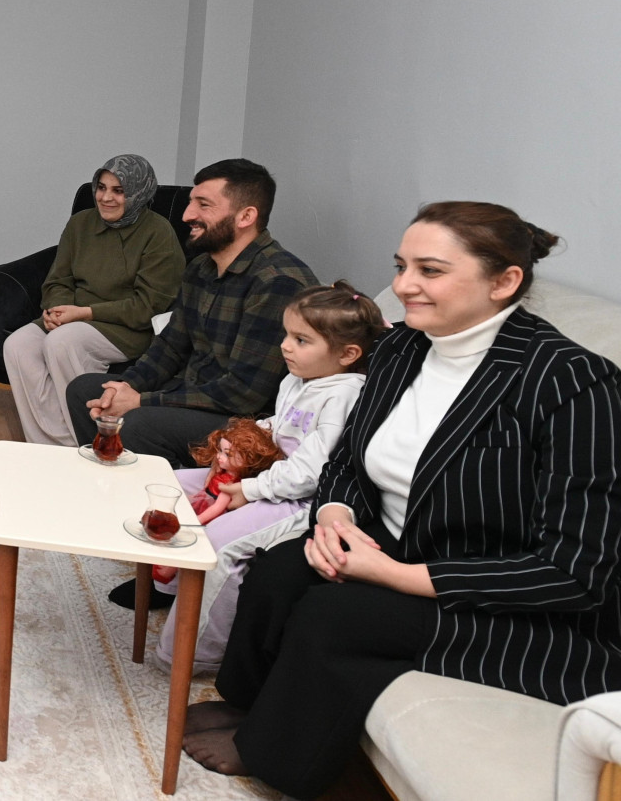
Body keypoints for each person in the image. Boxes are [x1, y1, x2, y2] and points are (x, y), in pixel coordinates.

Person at [183, 202, 621, 800]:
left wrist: (392, 574)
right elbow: (347, 459)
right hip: (395, 539)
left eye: (430, 270)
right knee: (278, 572)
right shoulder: (402, 350)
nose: (403, 285)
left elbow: (575, 572)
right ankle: (247, 704)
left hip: (508, 600)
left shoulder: (573, 382)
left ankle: (276, 754)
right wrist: (334, 515)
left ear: (504, 282)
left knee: (334, 615)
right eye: (401, 266)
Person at [67, 158, 317, 610]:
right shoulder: (202, 267)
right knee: (88, 390)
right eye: (190, 203)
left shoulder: (277, 282)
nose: (186, 214)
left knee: (139, 425)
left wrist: (141, 401)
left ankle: (167, 564)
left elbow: (244, 393)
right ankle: (126, 517)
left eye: (203, 204)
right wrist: (124, 388)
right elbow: (170, 346)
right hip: (198, 397)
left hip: (248, 423)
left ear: (246, 216)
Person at [151, 282, 383, 674]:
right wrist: (239, 444)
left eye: (301, 340)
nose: (286, 347)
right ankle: (173, 588)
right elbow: (280, 425)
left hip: (299, 499)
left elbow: (312, 470)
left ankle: (195, 652)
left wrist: (250, 489)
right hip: (267, 475)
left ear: (347, 354)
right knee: (170, 485)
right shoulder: (298, 378)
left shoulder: (343, 395)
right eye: (287, 335)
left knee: (220, 544)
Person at [1, 154, 183, 446]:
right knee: (17, 345)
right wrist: (56, 309)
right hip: (73, 316)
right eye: (101, 187)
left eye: (118, 191)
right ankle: (49, 446)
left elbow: (147, 306)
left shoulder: (158, 233)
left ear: (139, 193)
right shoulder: (80, 223)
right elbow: (58, 279)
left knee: (62, 342)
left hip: (126, 327)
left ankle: (88, 440)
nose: (106, 198)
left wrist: (83, 313)